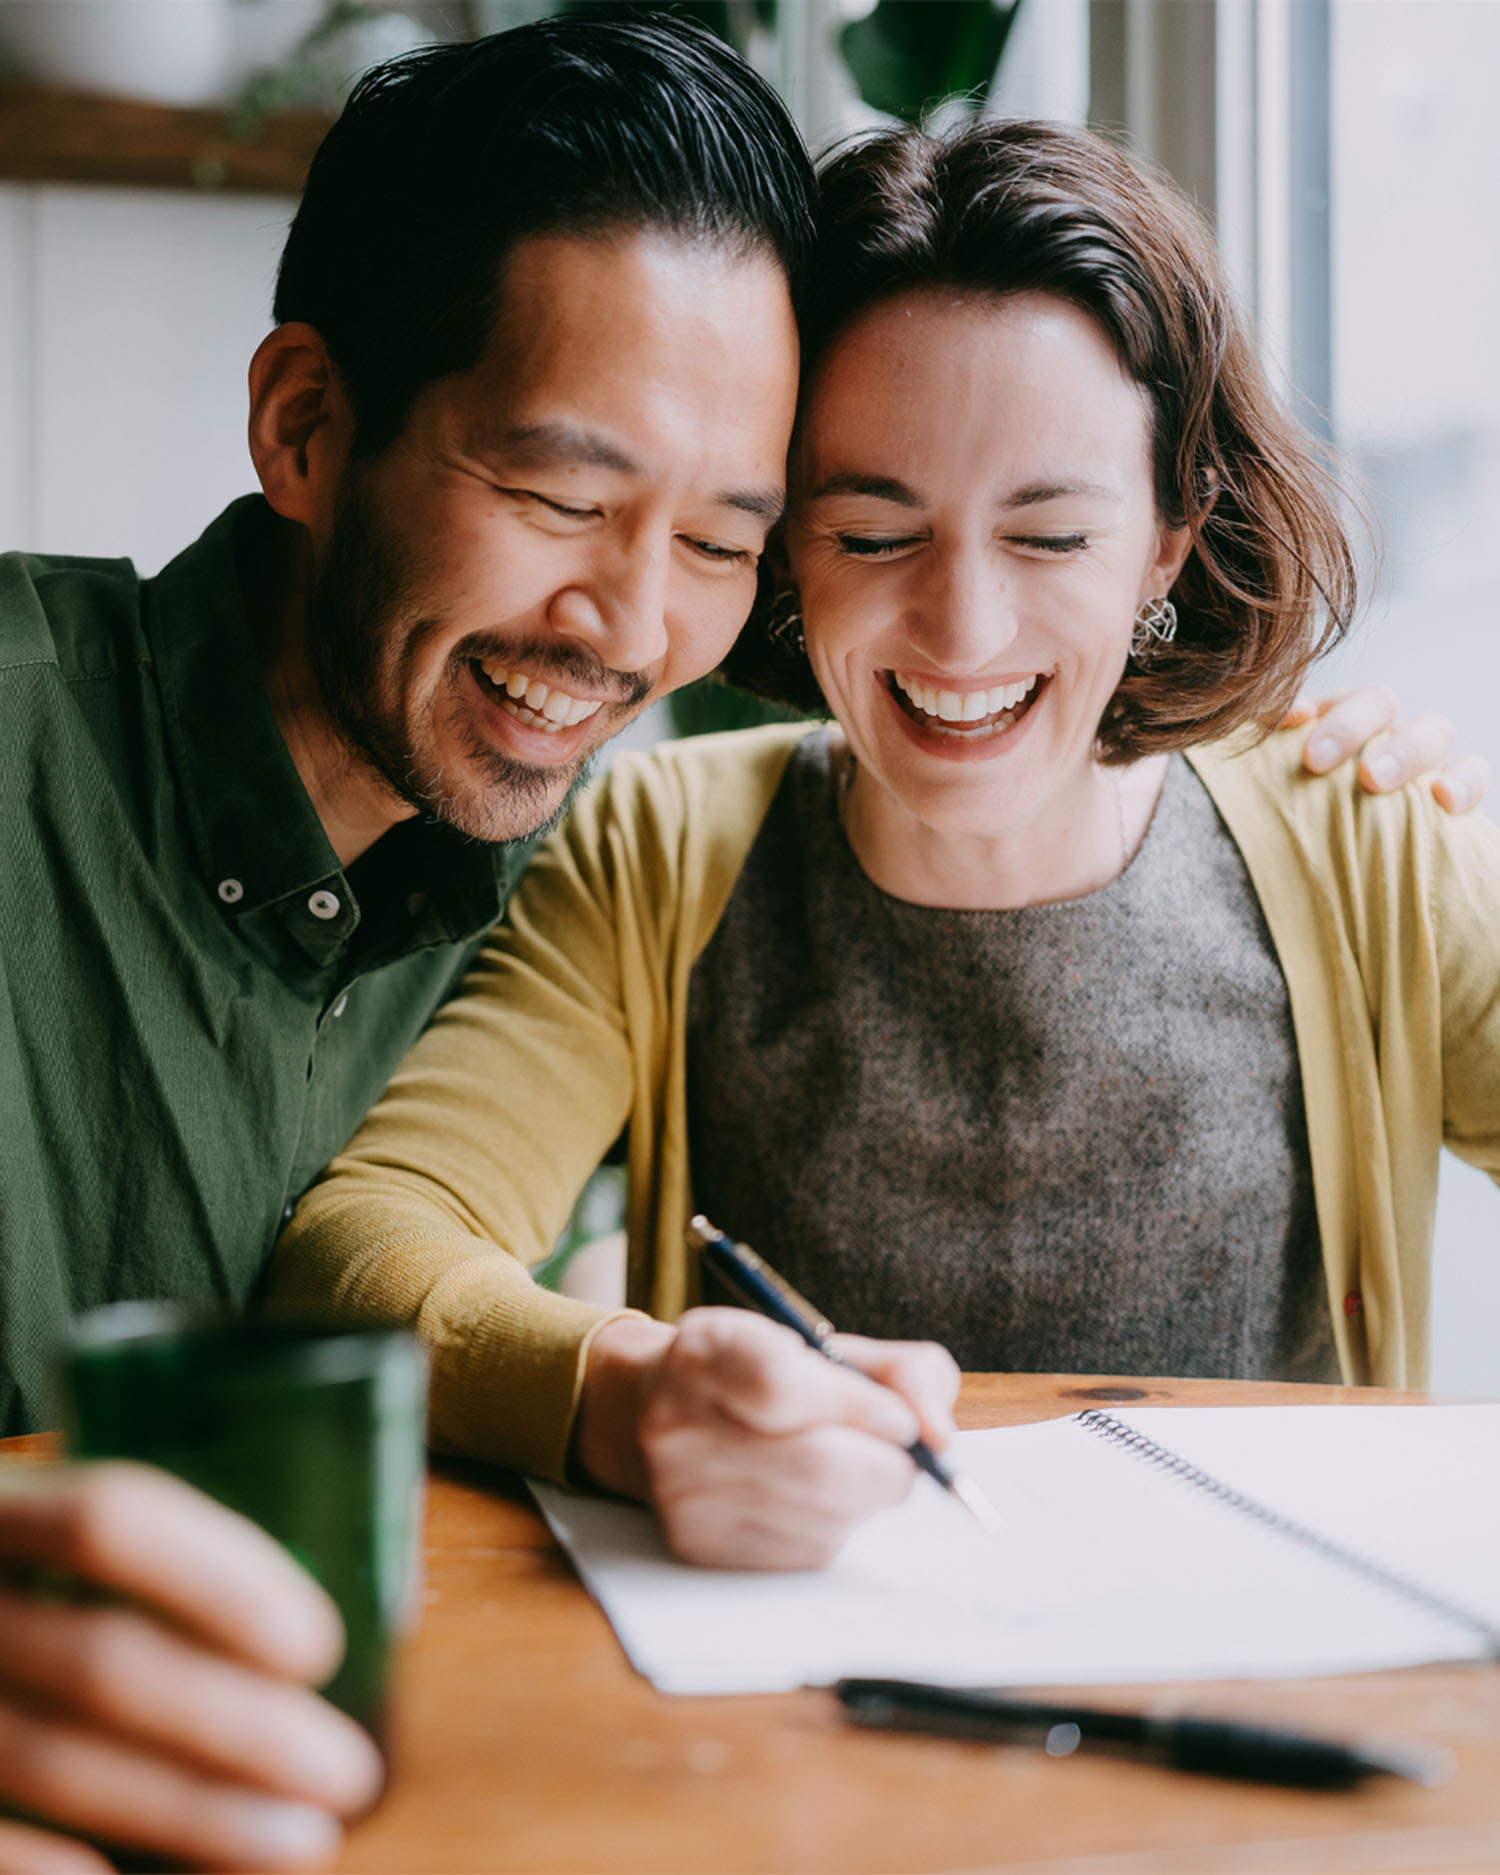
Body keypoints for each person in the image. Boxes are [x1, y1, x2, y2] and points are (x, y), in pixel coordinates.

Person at [275, 116, 1500, 1577]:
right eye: (872, 535)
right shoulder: (662, 851)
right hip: (806, 1730)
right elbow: (366, 1246)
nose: (963, 633)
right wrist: (626, 1388)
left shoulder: (1363, 843)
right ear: (787, 551)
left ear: (1168, 541)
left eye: (1048, 538)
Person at [0, 15, 814, 1868]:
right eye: (557, 496)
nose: (631, 625)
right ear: (308, 425)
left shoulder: (592, 883)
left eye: (719, 541)